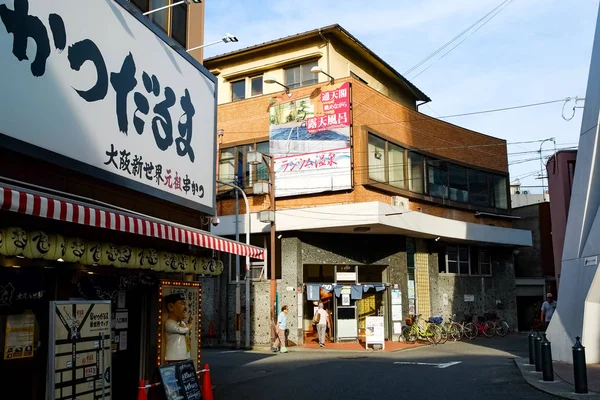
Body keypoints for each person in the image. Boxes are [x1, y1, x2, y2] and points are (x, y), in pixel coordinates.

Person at [164, 292, 192, 363]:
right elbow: (179, 330)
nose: (186, 307)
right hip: (174, 357)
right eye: (182, 303)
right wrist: (188, 328)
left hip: (185, 356)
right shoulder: (169, 323)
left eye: (185, 304)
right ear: (171, 307)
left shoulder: (182, 323)